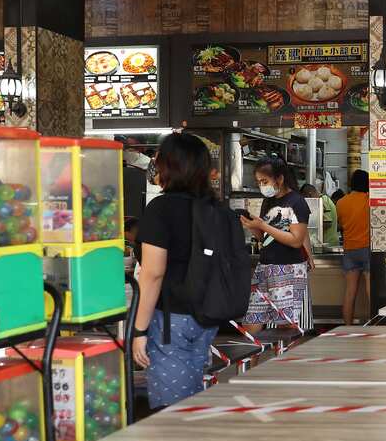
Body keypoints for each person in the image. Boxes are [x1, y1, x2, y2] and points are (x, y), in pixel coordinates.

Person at [130, 132, 221, 410]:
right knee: (193, 393)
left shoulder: (161, 209)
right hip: (208, 317)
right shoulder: (213, 208)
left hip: (172, 319)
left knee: (171, 408)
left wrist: (139, 330)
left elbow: (153, 273)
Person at [241, 156, 312, 332]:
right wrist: (253, 226)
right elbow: (266, 238)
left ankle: (282, 359)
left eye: (264, 181)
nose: (262, 186)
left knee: (287, 327)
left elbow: (296, 240)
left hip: (288, 269)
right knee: (251, 321)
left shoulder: (297, 202)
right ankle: (253, 359)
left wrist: (263, 225)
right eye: (259, 182)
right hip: (265, 267)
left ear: (279, 178)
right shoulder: (268, 202)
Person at [337, 169, 370, 325]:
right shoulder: (369, 199)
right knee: (371, 292)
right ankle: (373, 324)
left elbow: (340, 225)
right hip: (367, 248)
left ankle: (347, 327)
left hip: (349, 250)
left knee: (350, 292)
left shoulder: (341, 202)